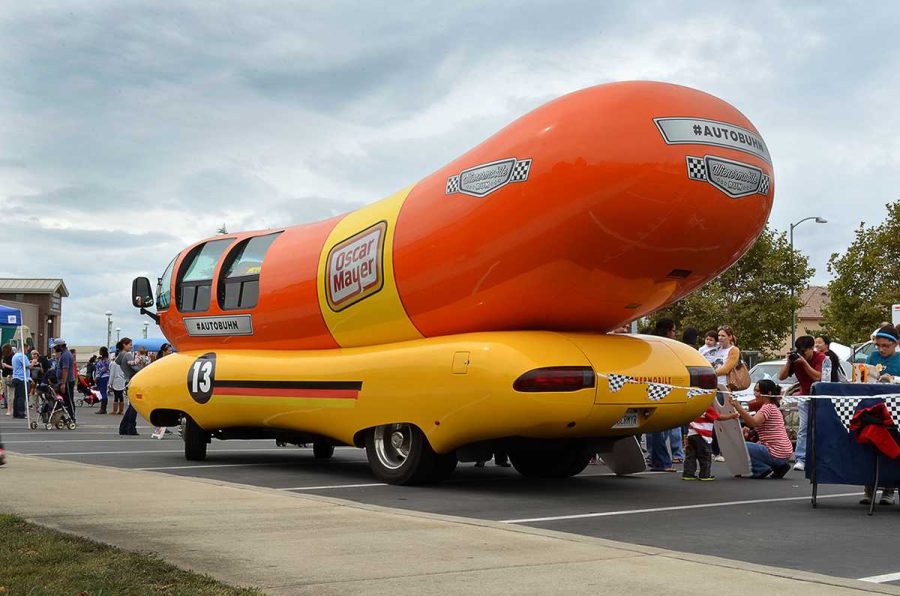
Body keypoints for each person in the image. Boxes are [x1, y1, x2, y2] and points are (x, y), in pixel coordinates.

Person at [861, 324, 900, 506]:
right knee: (871, 446)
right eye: (879, 345)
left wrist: (892, 379)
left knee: (891, 448)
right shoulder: (872, 356)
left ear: (896, 344)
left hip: (894, 412)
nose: (882, 349)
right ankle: (869, 489)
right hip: (874, 409)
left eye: (886, 346)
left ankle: (889, 490)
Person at [727, 380, 792, 479]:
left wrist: (738, 407)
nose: (755, 394)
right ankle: (779, 466)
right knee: (754, 445)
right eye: (755, 391)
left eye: (758, 391)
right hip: (784, 451)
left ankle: (760, 469)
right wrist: (750, 432)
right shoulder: (773, 407)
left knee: (739, 445)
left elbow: (753, 422)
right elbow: (766, 430)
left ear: (768, 393)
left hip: (775, 451)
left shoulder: (767, 408)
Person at [780, 335, 824, 472]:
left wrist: (804, 363)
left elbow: (818, 376)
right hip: (804, 396)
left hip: (821, 397)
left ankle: (820, 458)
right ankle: (801, 459)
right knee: (803, 428)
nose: (802, 354)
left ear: (812, 349)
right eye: (799, 351)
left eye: (804, 351)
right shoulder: (796, 359)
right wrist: (789, 362)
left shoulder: (821, 358)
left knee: (820, 428)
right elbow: (781, 377)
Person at [646, 318, 681, 470]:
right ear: (667, 330)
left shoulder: (651, 343)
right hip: (661, 387)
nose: (675, 334)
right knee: (660, 427)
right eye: (673, 330)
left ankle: (656, 459)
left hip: (652, 387)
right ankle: (662, 461)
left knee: (656, 428)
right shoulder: (664, 345)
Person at [682, 404, 719, 481]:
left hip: (691, 433)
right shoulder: (707, 408)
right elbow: (718, 417)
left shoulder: (695, 407)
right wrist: (732, 416)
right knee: (705, 456)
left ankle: (688, 474)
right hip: (702, 436)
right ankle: (704, 475)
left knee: (690, 456)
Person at [54, 339, 77, 421]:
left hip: (67, 381)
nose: (54, 348)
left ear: (60, 346)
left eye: (56, 346)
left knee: (69, 400)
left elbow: (65, 370)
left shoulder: (66, 355)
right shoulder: (63, 354)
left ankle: (72, 417)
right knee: (64, 400)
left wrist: (63, 383)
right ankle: (66, 416)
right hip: (63, 381)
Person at [10, 345, 30, 418]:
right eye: (27, 349)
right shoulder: (22, 356)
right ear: (23, 348)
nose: (28, 351)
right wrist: (33, 362)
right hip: (22, 378)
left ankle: (16, 413)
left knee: (17, 396)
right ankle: (21, 413)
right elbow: (28, 366)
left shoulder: (15, 356)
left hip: (16, 377)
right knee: (22, 397)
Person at [93, 347, 111, 415]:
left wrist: (98, 376)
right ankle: (103, 408)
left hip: (103, 377)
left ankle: (103, 409)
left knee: (103, 392)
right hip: (102, 377)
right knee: (102, 392)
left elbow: (103, 369)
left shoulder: (105, 360)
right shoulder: (103, 359)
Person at [1, 344, 13, 415]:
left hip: (9, 375)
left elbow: (13, 367)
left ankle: (10, 409)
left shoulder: (11, 357)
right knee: (5, 393)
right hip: (4, 375)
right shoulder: (4, 356)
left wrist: (5, 365)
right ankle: (8, 406)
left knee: (9, 393)